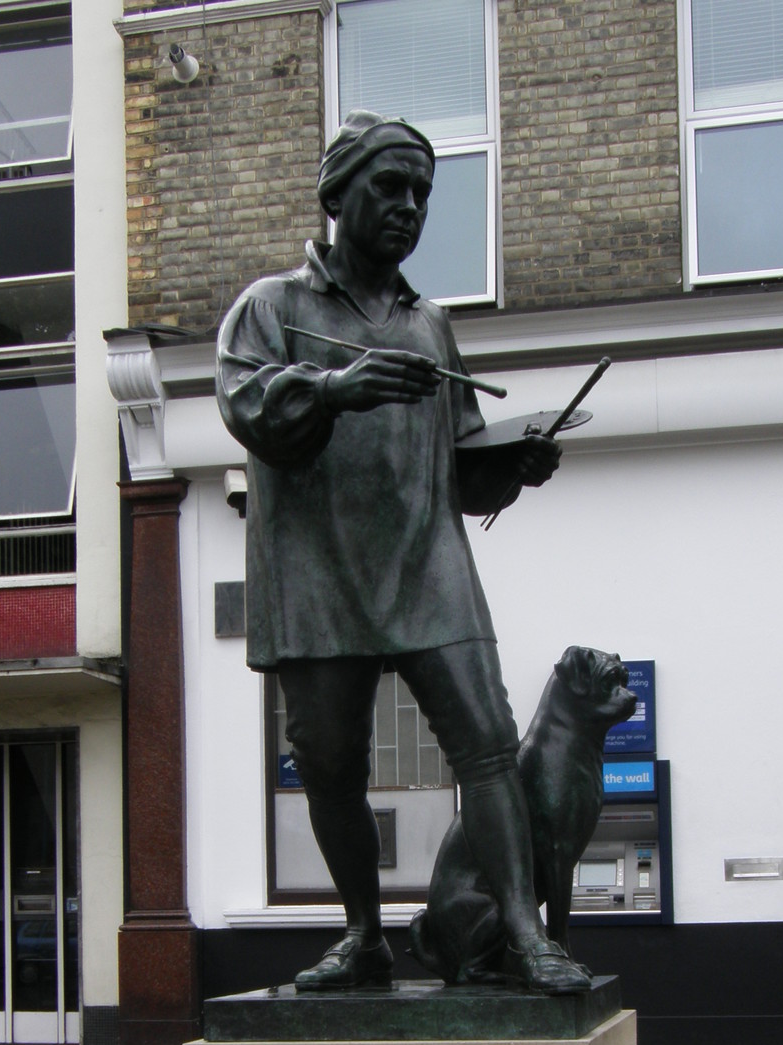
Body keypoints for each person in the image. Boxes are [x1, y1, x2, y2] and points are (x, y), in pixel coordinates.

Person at [217, 110, 590, 994]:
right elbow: (247, 410)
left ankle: (523, 933)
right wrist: (337, 391)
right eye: (390, 187)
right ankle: (363, 934)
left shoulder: (431, 323)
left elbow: (459, 466)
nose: (409, 206)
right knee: (331, 763)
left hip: (428, 562)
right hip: (319, 569)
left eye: (421, 192)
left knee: (490, 744)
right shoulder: (272, 308)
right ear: (337, 194)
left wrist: (513, 466)